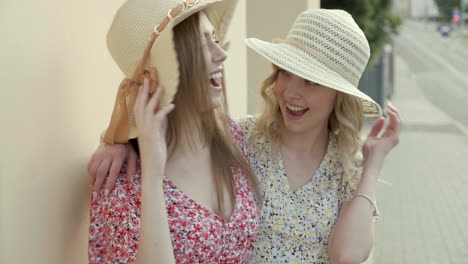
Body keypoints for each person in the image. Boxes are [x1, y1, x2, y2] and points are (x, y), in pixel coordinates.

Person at [89, 9, 402, 263]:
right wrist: (118, 141)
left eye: (311, 81)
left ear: (339, 95)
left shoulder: (348, 164)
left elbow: (348, 255)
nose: (291, 91)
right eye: (285, 72)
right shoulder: (243, 138)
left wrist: (373, 163)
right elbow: (168, 114)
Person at [88, 0, 261, 263]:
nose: (221, 54)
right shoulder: (122, 182)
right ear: (172, 66)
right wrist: (153, 176)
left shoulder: (234, 138)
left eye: (215, 38)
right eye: (205, 45)